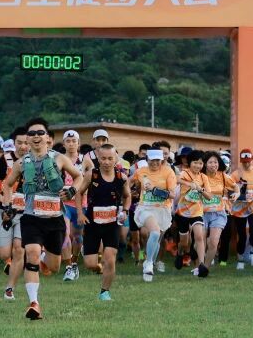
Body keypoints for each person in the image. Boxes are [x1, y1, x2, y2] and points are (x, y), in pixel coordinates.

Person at [4, 117, 83, 320]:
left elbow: (79, 176)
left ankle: (42, 258)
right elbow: (7, 184)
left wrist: (72, 191)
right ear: (27, 139)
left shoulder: (59, 158)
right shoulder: (21, 163)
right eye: (32, 134)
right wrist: (7, 205)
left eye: (40, 133)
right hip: (31, 218)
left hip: (54, 219)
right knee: (30, 252)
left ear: (48, 137)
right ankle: (34, 303)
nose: (36, 136)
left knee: (54, 267)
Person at [80, 143, 130, 301]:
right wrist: (80, 213)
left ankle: (104, 291)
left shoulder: (121, 177)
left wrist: (125, 211)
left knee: (110, 258)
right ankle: (91, 257)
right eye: (103, 158)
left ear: (116, 158)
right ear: (98, 159)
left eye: (110, 158)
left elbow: (127, 196)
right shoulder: (92, 175)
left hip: (112, 224)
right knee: (90, 264)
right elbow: (79, 193)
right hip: (92, 224)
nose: (106, 162)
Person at [0, 126, 30, 300]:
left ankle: (9, 288)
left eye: (26, 142)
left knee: (19, 250)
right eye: (20, 142)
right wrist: (4, 201)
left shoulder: (35, 161)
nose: (23, 146)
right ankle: (10, 264)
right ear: (14, 143)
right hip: (5, 212)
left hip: (25, 213)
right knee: (5, 254)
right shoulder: (5, 160)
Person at [131, 148, 178, 283]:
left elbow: (173, 194)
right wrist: (128, 192)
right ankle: (149, 263)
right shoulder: (141, 171)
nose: (155, 163)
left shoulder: (168, 172)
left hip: (163, 209)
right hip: (145, 208)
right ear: (147, 160)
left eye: (158, 160)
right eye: (152, 160)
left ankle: (149, 261)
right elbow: (129, 182)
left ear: (162, 160)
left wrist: (155, 190)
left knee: (156, 240)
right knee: (155, 232)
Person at [228, 148, 253, 268]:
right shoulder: (235, 174)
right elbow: (229, 190)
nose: (247, 164)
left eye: (249, 161)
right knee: (242, 234)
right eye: (244, 162)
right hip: (239, 208)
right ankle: (240, 259)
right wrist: (238, 194)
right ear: (241, 161)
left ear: (252, 160)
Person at [175, 150, 211, 277]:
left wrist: (201, 190)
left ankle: (201, 265)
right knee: (185, 243)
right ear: (190, 163)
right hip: (182, 212)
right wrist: (189, 184)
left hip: (197, 211)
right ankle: (180, 253)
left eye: (200, 163)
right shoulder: (184, 173)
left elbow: (209, 196)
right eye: (195, 162)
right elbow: (176, 179)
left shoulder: (204, 177)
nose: (198, 165)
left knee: (199, 236)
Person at [59, 129, 88, 282]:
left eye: (74, 141)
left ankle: (75, 262)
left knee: (77, 236)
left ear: (78, 143)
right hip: (63, 204)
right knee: (65, 233)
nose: (71, 144)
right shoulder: (58, 159)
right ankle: (68, 267)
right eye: (68, 141)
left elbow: (92, 177)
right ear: (64, 144)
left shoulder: (85, 160)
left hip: (80, 204)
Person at [200, 152, 229, 268]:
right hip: (201, 213)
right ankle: (199, 263)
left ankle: (205, 268)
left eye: (215, 162)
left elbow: (235, 187)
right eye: (210, 162)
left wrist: (236, 193)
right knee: (199, 242)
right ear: (205, 164)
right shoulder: (200, 176)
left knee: (213, 242)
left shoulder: (223, 176)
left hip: (218, 213)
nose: (213, 164)